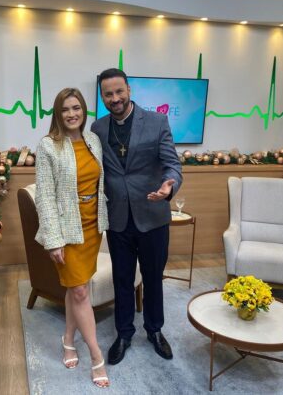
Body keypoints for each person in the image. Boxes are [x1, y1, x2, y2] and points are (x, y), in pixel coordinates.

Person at [91, 68, 183, 365]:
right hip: (118, 217)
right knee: (122, 279)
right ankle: (124, 333)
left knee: (153, 277)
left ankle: (154, 330)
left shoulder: (157, 121)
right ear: (102, 97)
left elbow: (172, 164)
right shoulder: (97, 129)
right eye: (108, 94)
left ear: (129, 90)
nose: (115, 98)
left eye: (119, 91)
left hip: (152, 216)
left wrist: (169, 187)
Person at [34, 88, 110, 388]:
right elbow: (45, 196)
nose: (71, 114)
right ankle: (96, 356)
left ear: (84, 110)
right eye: (65, 109)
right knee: (79, 291)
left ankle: (68, 339)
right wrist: (53, 239)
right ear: (58, 113)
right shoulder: (48, 145)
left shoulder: (93, 140)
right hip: (66, 230)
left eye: (76, 108)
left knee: (76, 288)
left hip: (92, 226)